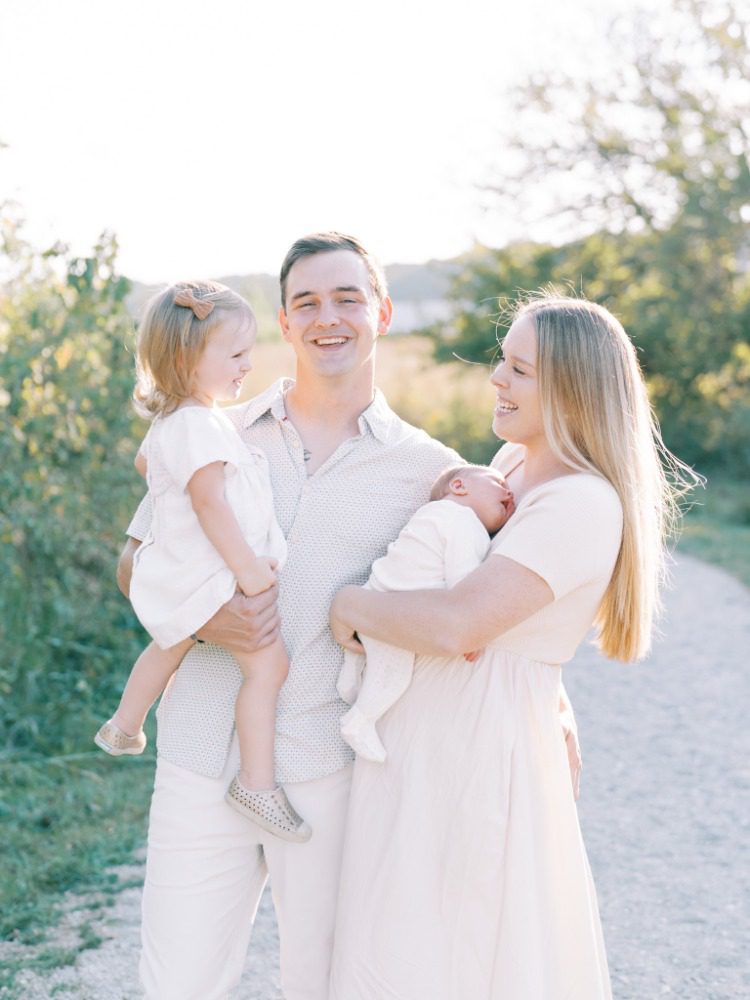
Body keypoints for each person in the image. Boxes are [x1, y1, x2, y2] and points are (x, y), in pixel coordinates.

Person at [116, 234, 465, 1000]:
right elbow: (133, 560)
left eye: (346, 298)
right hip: (200, 753)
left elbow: (480, 602)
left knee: (328, 984)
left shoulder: (427, 468)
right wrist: (210, 620)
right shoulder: (214, 429)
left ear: (383, 311)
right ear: (283, 322)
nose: (327, 318)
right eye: (306, 302)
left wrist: (554, 703)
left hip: (329, 766)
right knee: (177, 985)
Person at [329, 293, 697, 1000]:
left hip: (482, 749)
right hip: (432, 737)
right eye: (504, 362)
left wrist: (349, 605)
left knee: (468, 948)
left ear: (571, 388)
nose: (496, 379)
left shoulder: (583, 502)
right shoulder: (516, 466)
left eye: (519, 369)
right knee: (407, 941)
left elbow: (462, 623)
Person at [95, 281, 310, 842]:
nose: (248, 364)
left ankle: (125, 725)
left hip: (188, 566)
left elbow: (150, 466)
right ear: (189, 359)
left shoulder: (178, 422)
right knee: (269, 668)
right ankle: (257, 785)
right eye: (235, 354)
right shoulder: (197, 423)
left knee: (170, 642)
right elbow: (210, 503)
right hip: (218, 572)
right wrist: (249, 573)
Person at [338, 462, 514, 762]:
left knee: (378, 663)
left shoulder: (429, 515)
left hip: (379, 596)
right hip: (401, 613)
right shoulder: (464, 521)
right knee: (393, 675)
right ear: (459, 486)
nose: (509, 491)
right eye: (498, 483)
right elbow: (465, 583)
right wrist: (474, 633)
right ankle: (358, 722)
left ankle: (351, 680)